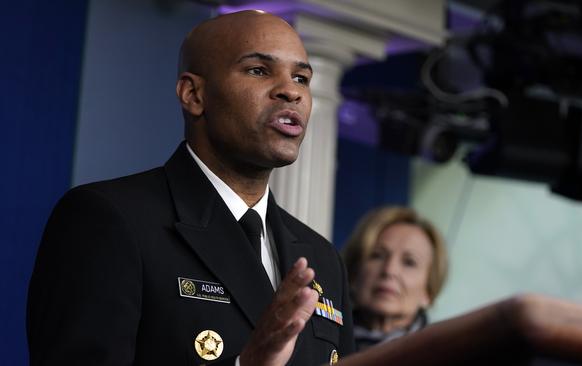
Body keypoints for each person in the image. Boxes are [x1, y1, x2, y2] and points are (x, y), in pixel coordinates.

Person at [27, 10, 354, 366]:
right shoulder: (109, 220)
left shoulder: (322, 259)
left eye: (302, 78)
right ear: (193, 94)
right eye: (258, 70)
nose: (290, 91)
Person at [342, 206, 448, 351]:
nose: (389, 270)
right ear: (354, 272)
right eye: (377, 255)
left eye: (409, 262)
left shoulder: (447, 354)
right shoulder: (321, 343)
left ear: (428, 292)